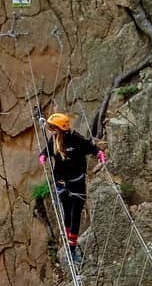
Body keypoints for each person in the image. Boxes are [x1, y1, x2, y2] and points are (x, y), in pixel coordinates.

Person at [38, 113, 106, 265]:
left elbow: (91, 147)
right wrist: (43, 156)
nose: (50, 130)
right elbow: (46, 151)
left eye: (52, 128)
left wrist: (99, 153)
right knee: (67, 215)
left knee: (75, 216)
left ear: (60, 128)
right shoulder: (54, 139)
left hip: (77, 184)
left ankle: (72, 248)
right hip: (61, 183)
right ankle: (70, 243)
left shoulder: (76, 139)